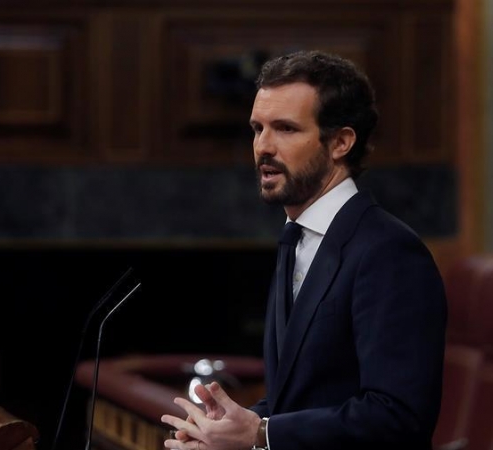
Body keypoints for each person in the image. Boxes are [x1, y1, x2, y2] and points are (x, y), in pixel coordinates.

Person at [160, 50, 447, 450]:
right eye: (257, 129)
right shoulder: (296, 238)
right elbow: (302, 398)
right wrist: (230, 429)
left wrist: (261, 434)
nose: (263, 146)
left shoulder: (389, 252)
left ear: (341, 142)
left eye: (286, 129)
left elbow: (398, 416)